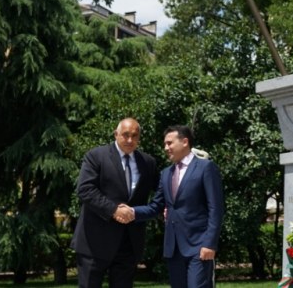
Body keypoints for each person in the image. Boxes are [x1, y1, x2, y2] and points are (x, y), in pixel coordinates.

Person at [71, 118, 159, 288]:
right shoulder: (96, 156)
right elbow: (85, 190)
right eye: (125, 135)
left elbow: (161, 192)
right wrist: (113, 210)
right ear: (116, 134)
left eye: (135, 136)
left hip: (128, 243)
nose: (130, 140)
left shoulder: (148, 163)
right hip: (94, 242)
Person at [134, 125, 224, 288]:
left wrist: (210, 243)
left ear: (184, 142)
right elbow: (156, 206)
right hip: (173, 248)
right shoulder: (166, 173)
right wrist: (131, 212)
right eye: (165, 144)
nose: (166, 148)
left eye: (169, 143)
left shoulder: (205, 167)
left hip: (199, 247)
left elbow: (216, 208)